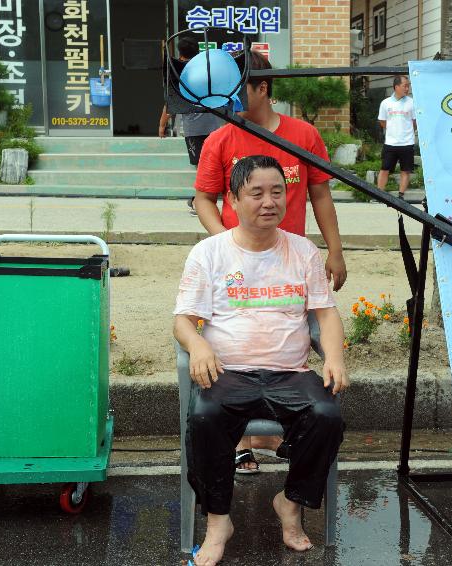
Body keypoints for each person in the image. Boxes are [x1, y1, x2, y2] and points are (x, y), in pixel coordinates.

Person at [174, 155, 348, 566]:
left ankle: (290, 501)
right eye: (257, 193)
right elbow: (183, 320)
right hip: (229, 372)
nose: (269, 201)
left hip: (290, 372)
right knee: (205, 418)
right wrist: (198, 346)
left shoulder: (303, 251)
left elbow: (326, 313)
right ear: (233, 199)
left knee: (326, 415)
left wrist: (335, 356)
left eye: (277, 191)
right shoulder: (209, 253)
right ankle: (218, 523)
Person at [193, 50, 347, 472]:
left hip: (291, 265)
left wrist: (334, 250)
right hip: (237, 268)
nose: (228, 95)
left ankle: (284, 437)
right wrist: (225, 243)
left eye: (237, 86)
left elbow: (320, 195)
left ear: (263, 88)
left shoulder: (303, 135)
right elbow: (203, 198)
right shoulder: (222, 137)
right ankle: (242, 438)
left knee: (292, 341)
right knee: (236, 340)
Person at [158, 35, 224, 216]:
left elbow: (171, 103)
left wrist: (162, 124)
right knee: (212, 163)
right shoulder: (206, 69)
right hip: (213, 124)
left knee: (201, 167)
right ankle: (199, 200)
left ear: (180, 54)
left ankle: (199, 202)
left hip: (193, 129)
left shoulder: (178, 72)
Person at [376, 75, 416, 199]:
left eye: (408, 85)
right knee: (384, 169)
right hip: (391, 143)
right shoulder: (385, 103)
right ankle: (379, 194)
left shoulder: (412, 102)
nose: (407, 88)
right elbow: (382, 122)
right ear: (396, 87)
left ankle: (401, 196)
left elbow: (415, 122)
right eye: (405, 85)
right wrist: (394, 129)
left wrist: (405, 131)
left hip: (407, 143)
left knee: (406, 170)